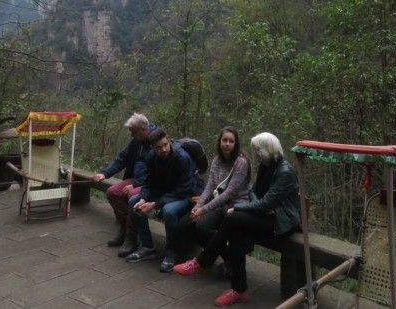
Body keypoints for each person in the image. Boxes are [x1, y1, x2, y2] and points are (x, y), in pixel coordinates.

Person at [173, 132, 300, 307]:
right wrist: (259, 204)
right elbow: (253, 192)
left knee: (234, 218)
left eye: (258, 150)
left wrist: (240, 207)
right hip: (266, 214)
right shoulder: (266, 165)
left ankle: (203, 262)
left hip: (282, 222)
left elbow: (263, 204)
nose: (256, 153)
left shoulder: (284, 172)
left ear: (267, 150)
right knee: (235, 231)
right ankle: (238, 289)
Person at [125, 128, 205, 273]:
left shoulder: (182, 158)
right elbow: (148, 182)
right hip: (164, 191)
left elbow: (184, 189)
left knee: (169, 211)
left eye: (165, 145)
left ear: (169, 140)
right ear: (152, 148)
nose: (163, 149)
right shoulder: (151, 157)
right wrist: (143, 198)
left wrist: (155, 204)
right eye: (158, 147)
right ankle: (148, 247)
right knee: (133, 202)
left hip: (185, 194)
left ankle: (171, 252)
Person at [174, 126, 251, 265]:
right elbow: (210, 187)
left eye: (231, 141)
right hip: (220, 204)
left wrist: (203, 209)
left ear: (236, 144)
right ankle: (229, 258)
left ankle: (220, 261)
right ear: (219, 141)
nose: (227, 144)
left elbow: (228, 193)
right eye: (224, 140)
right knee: (193, 225)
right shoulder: (216, 160)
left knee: (207, 228)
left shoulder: (241, 163)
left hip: (236, 206)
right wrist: (197, 207)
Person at [92, 113, 155, 257]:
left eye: (133, 132)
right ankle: (125, 228)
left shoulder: (157, 141)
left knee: (132, 196)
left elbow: (158, 171)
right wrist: (105, 173)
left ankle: (131, 237)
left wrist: (137, 184)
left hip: (151, 183)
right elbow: (121, 158)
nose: (131, 135)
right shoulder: (136, 142)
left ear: (144, 129)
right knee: (113, 192)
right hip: (136, 180)